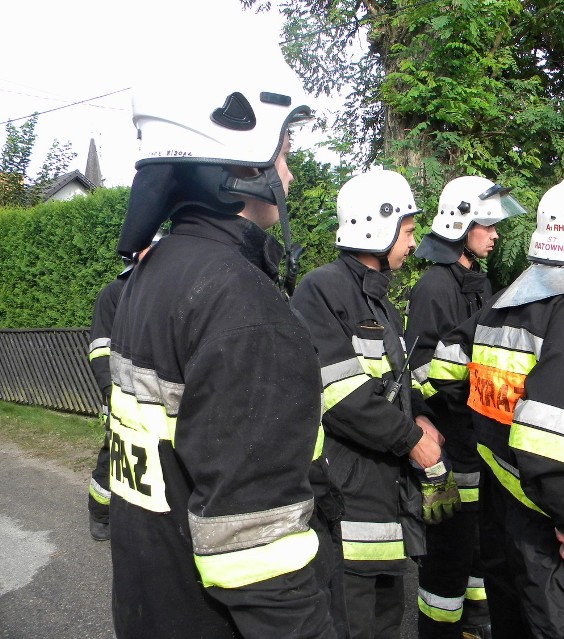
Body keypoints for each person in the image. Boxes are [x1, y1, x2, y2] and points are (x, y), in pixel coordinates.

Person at [107, 32, 336, 638]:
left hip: (151, 602)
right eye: (282, 151)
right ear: (240, 161)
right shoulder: (241, 305)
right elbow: (257, 549)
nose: (287, 171)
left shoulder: (154, 272)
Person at [429, 169, 564, 639]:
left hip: (503, 503)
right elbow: (551, 439)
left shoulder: (508, 299)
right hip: (557, 523)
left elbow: (444, 369)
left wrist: (488, 430)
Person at [291, 168, 458, 639]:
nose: (412, 241)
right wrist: (412, 443)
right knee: (351, 623)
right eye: (406, 231)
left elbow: (392, 383)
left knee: (386, 618)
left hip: (384, 494)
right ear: (376, 227)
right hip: (347, 494)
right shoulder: (322, 290)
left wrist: (421, 414)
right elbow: (341, 396)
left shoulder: (379, 301)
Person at [406, 175, 526, 639]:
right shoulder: (435, 288)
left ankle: (478, 625)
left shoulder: (479, 282)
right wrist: (477, 401)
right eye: (487, 225)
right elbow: (423, 371)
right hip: (451, 447)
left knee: (481, 554)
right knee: (448, 561)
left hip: (480, 444)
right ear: (460, 225)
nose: (495, 235)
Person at [85, 233, 162, 542]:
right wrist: (112, 391)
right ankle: (100, 513)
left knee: (156, 461)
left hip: (159, 397)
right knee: (115, 456)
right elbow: (100, 349)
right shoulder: (113, 294)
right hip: (122, 396)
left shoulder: (162, 292)